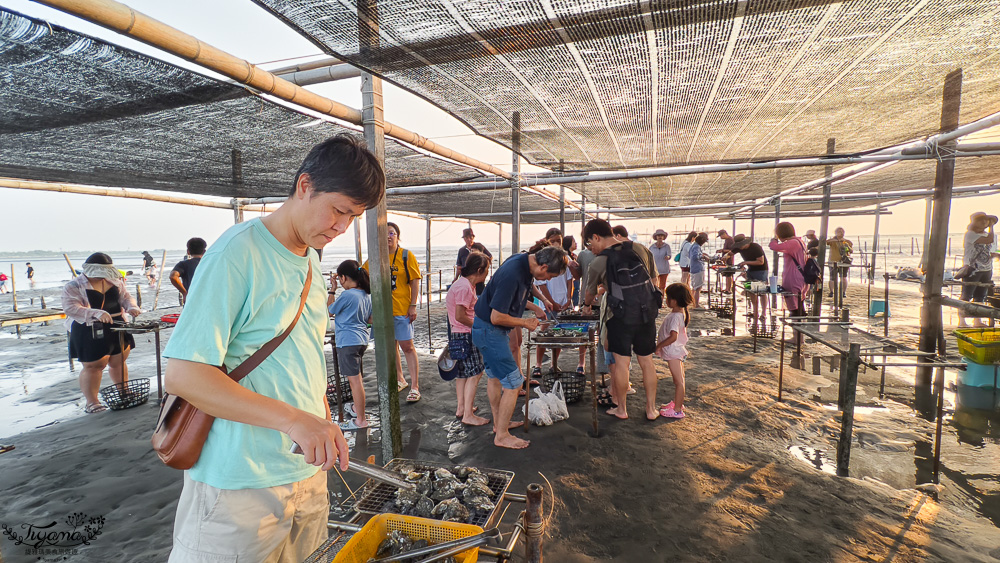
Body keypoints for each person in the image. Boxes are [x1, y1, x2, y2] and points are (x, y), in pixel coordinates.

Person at [162, 135, 381, 562]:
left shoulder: (311, 261)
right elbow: (184, 375)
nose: (341, 227)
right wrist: (295, 420)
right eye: (338, 210)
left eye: (353, 217)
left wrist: (322, 420)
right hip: (238, 485)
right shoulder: (236, 253)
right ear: (305, 185)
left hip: (305, 472)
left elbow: (303, 355)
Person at [472, 245, 567, 449]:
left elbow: (525, 288)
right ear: (543, 266)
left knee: (495, 377)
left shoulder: (524, 261)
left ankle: (499, 424)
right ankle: (502, 436)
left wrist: (537, 304)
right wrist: (525, 322)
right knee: (514, 384)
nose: (547, 280)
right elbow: (496, 317)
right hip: (490, 330)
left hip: (484, 328)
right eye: (549, 276)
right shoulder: (513, 274)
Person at [582, 218, 660, 421]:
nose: (591, 249)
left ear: (596, 237)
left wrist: (586, 305)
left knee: (622, 364)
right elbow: (654, 281)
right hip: (645, 314)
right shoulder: (641, 249)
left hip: (620, 317)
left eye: (590, 243)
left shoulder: (598, 262)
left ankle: (622, 409)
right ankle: (651, 409)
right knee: (647, 362)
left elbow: (590, 293)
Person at [63, 252, 142, 414]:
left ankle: (124, 391)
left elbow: (126, 297)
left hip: (117, 324)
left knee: (119, 360)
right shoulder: (74, 286)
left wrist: (132, 306)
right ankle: (92, 402)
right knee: (94, 365)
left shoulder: (116, 281)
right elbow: (70, 308)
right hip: (89, 327)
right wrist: (95, 313)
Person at [363, 222, 423, 402]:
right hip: (383, 312)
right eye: (384, 233)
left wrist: (413, 305)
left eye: (392, 233)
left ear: (397, 236)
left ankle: (415, 386)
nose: (388, 237)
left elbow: (415, 281)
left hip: (401, 310)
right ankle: (400, 379)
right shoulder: (375, 258)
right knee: (390, 347)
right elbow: (362, 277)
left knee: (407, 346)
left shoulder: (406, 255)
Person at [446, 252, 491, 426]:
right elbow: (460, 315)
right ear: (479, 270)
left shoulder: (462, 284)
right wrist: (479, 326)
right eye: (487, 269)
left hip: (457, 333)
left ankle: (462, 408)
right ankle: (468, 415)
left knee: (462, 373)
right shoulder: (465, 286)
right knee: (476, 372)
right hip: (465, 334)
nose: (487, 273)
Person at [327, 260, 372, 428]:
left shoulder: (347, 295)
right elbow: (370, 319)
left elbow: (330, 310)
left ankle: (361, 420)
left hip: (347, 341)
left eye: (339, 279)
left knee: (355, 382)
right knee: (356, 380)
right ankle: (357, 409)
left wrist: (332, 289)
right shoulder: (366, 295)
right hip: (361, 340)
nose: (339, 282)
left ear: (344, 277)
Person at [656, 283, 692, 419]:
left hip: (674, 352)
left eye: (668, 298)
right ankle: (677, 403)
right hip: (676, 351)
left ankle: (677, 410)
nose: (666, 300)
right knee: (679, 380)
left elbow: (673, 336)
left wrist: (659, 346)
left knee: (679, 382)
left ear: (674, 301)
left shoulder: (675, 316)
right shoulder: (680, 313)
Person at [959, 212, 998, 328]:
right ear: (974, 222)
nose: (984, 222)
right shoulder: (970, 234)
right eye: (980, 220)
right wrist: (992, 227)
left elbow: (992, 250)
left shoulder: (991, 235)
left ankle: (977, 321)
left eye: (986, 220)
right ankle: (962, 321)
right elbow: (988, 240)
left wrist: (996, 255)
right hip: (972, 269)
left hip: (987, 269)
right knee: (966, 295)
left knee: (980, 296)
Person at [723, 234, 769, 321]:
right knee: (751, 291)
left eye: (741, 246)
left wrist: (745, 262)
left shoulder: (756, 247)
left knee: (762, 292)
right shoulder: (739, 248)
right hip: (750, 270)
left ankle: (763, 313)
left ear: (746, 243)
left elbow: (761, 262)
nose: (740, 248)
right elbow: (730, 253)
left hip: (761, 270)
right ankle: (755, 311)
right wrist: (725, 257)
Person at [769, 222, 808, 318]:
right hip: (801, 276)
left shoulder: (793, 243)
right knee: (799, 302)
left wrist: (774, 240)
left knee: (793, 304)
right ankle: (800, 324)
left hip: (793, 277)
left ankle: (796, 324)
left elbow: (773, 246)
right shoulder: (799, 241)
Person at [169, 237, 207, 306]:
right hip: (208, 299)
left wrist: (184, 293)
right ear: (204, 251)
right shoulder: (210, 263)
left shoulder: (184, 264)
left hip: (191, 299)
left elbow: (173, 276)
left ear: (188, 251)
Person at [454, 228, 493, 295]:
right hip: (465, 277)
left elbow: (490, 257)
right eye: (466, 238)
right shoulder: (462, 250)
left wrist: (484, 267)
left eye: (470, 237)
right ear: (464, 239)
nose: (469, 239)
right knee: (466, 295)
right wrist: (455, 279)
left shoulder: (479, 246)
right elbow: (459, 267)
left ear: (473, 237)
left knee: (479, 295)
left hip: (478, 277)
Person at [825, 227, 853, 300]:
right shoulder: (832, 241)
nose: (841, 233)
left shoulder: (847, 241)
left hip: (844, 261)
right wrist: (836, 239)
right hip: (833, 261)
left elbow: (851, 251)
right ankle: (831, 292)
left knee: (843, 277)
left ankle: (843, 292)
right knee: (832, 277)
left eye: (842, 232)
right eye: (839, 232)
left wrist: (847, 246)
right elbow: (824, 242)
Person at [688, 233, 708, 309]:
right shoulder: (696, 246)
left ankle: (693, 303)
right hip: (698, 268)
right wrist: (703, 256)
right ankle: (696, 305)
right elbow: (695, 257)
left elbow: (690, 256)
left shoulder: (693, 246)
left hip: (693, 268)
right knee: (698, 288)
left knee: (694, 287)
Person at [563, 235, 582, 306]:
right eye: (573, 241)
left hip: (575, 283)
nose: (576, 243)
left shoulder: (574, 256)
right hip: (571, 282)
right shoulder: (566, 257)